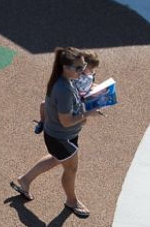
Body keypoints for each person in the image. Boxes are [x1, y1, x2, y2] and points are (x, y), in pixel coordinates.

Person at [11, 46, 103, 218]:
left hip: (59, 136)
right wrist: (87, 114)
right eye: (78, 68)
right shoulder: (64, 89)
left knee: (56, 158)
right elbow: (66, 121)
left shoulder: (67, 80)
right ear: (65, 68)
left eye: (83, 67)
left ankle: (25, 180)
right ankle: (71, 201)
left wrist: (95, 91)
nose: (82, 71)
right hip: (63, 138)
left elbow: (47, 105)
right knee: (71, 169)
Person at [33, 50, 100, 134]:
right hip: (69, 98)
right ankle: (42, 122)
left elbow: (90, 85)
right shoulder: (76, 75)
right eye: (91, 69)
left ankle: (68, 131)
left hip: (77, 102)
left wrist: (96, 88)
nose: (93, 71)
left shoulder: (89, 76)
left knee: (80, 121)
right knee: (43, 105)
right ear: (83, 67)